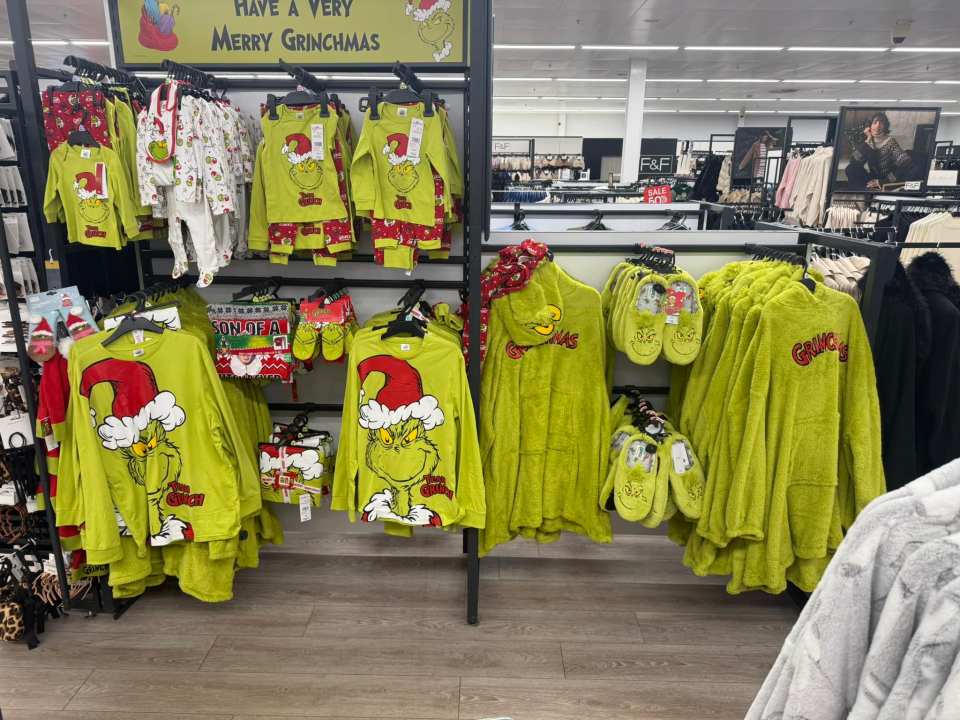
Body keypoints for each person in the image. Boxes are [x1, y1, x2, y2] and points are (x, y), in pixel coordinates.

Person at [844, 112, 913, 191]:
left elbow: (906, 164)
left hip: (888, 179)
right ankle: (862, 194)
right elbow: (854, 161)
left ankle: (866, 192)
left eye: (881, 123)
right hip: (873, 177)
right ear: (870, 126)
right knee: (850, 169)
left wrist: (882, 182)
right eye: (875, 122)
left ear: (885, 126)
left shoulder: (890, 142)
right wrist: (868, 140)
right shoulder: (869, 141)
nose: (878, 126)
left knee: (860, 184)